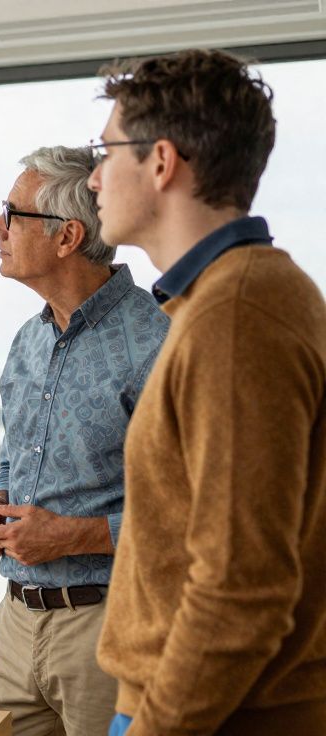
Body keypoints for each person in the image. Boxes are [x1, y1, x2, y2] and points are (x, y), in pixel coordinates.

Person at [88, 49, 326, 735]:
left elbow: (240, 589)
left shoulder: (237, 312)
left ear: (161, 162)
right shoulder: (221, 300)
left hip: (212, 714)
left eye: (105, 152)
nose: (95, 177)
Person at [0, 146, 169, 736]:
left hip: (108, 627)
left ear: (66, 237)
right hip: (15, 624)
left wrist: (72, 536)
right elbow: (14, 458)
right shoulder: (26, 341)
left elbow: (195, 516)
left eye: (11, 214)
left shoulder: (159, 343)